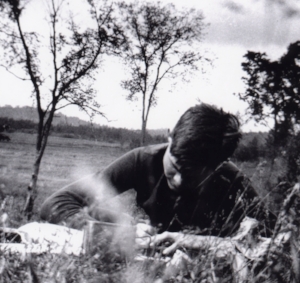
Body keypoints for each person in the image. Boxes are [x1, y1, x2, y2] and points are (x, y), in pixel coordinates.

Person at [40, 103, 276, 254]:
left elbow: (281, 240)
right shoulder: (143, 160)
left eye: (194, 176)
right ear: (169, 138)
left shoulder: (231, 180)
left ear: (217, 166)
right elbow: (57, 203)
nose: (180, 181)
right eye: (174, 167)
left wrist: (201, 242)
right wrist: (118, 232)